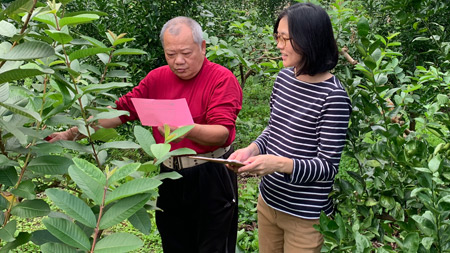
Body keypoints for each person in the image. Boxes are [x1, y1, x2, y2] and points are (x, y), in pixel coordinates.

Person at [49, 16, 243, 253]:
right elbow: (120, 112)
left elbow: (221, 134)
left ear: (202, 47)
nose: (178, 61)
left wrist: (181, 127)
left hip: (210, 172)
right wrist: (70, 133)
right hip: (169, 173)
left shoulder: (221, 79)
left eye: (186, 53)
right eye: (171, 54)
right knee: (174, 243)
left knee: (213, 246)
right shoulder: (157, 78)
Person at [228, 3, 351, 253]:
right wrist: (251, 149)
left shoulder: (333, 97)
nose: (279, 45)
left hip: (304, 217)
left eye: (285, 39)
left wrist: (278, 164)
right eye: (277, 37)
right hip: (269, 202)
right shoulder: (284, 79)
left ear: (309, 40)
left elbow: (327, 166)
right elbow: (275, 128)